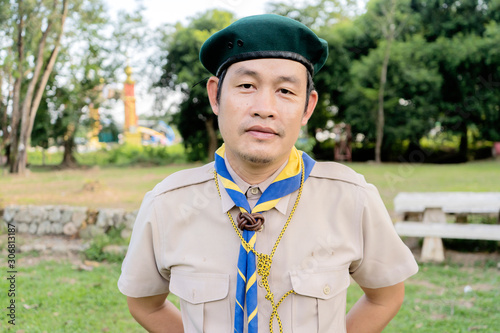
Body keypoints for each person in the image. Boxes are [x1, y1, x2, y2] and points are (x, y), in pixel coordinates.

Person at [118, 14, 418, 333]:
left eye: (286, 91)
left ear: (308, 107)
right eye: (246, 85)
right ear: (215, 95)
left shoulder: (351, 198)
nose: (264, 107)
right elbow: (144, 304)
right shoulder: (167, 205)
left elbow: (385, 296)